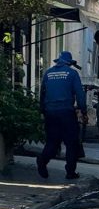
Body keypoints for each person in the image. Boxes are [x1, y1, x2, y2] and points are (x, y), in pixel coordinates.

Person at [37, 51, 87, 180]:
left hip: (50, 113)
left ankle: (42, 161)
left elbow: (42, 93)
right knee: (71, 143)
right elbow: (80, 95)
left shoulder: (48, 73)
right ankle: (70, 172)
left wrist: (43, 110)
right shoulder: (72, 73)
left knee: (52, 142)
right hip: (66, 112)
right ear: (69, 63)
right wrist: (83, 111)